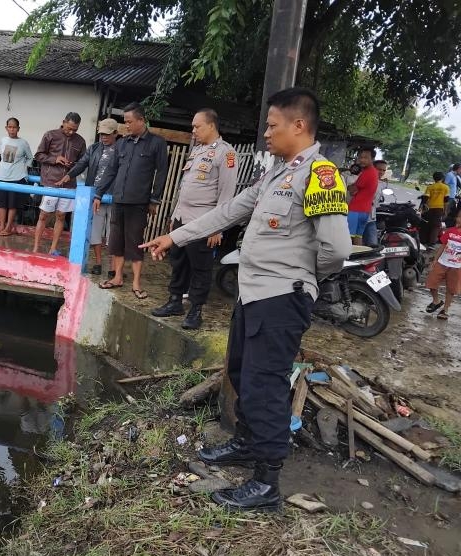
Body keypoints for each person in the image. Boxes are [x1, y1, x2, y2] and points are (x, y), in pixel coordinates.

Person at [141, 87, 351, 511]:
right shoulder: (278, 172)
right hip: (253, 294)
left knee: (265, 386)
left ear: (299, 125)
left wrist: (302, 276)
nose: (267, 133)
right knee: (240, 372)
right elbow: (229, 211)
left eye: (273, 125)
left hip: (280, 298)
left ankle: (265, 483)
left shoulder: (320, 174)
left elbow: (337, 251)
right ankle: (246, 443)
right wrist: (175, 235)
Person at [152, 108, 238, 329]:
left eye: (197, 126)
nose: (193, 130)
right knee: (178, 262)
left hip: (204, 222)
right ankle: (174, 301)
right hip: (182, 218)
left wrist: (217, 228)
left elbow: (226, 194)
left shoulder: (226, 154)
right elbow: (185, 187)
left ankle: (195, 310)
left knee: (201, 267)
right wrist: (174, 217)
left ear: (211, 126)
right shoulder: (197, 151)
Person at [95, 102, 169, 299]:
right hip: (118, 200)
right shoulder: (122, 144)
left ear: (141, 120)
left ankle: (136, 282)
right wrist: (98, 193)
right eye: (125, 122)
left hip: (138, 202)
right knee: (116, 241)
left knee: (135, 243)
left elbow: (162, 173)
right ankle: (118, 277)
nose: (126, 126)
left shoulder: (157, 143)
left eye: (129, 122)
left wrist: (154, 199)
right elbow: (111, 170)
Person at [57, 118, 119, 275]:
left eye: (107, 134)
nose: (104, 137)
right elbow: (82, 163)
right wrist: (69, 175)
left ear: (115, 134)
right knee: (95, 232)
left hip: (114, 196)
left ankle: (113, 267)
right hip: (95, 195)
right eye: (102, 134)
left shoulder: (122, 149)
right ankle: (98, 263)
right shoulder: (94, 148)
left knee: (114, 233)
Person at [33, 112, 86, 255]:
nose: (71, 132)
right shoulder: (50, 135)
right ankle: (36, 247)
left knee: (61, 215)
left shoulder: (80, 141)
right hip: (51, 181)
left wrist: (73, 165)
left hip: (69, 184)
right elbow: (38, 155)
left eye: (75, 129)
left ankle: (52, 248)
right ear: (63, 122)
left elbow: (83, 162)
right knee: (43, 215)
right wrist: (55, 159)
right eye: (69, 128)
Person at [0, 117, 32, 237]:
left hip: (16, 177)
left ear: (18, 129)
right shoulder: (3, 140)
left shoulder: (23, 143)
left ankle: (8, 227)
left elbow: (30, 158)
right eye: (9, 127)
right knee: (1, 203)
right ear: (6, 128)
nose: (12, 129)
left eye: (14, 127)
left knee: (12, 204)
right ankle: (1, 227)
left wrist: (24, 168)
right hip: (2, 175)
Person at [425, 211, 461, 320]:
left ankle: (445, 310)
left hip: (456, 266)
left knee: (451, 289)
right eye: (459, 217)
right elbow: (442, 246)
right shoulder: (450, 231)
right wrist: (435, 259)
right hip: (442, 263)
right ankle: (436, 301)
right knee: (431, 283)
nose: (459, 219)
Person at [347, 148, 377, 245]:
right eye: (360, 157)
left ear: (372, 159)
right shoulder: (373, 172)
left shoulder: (367, 173)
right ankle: (358, 258)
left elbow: (352, 191)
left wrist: (347, 184)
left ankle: (347, 259)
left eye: (366, 158)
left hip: (355, 210)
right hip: (365, 211)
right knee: (358, 237)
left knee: (347, 237)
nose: (362, 160)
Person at [361, 159, 389, 246]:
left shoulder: (381, 183)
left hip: (371, 218)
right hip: (359, 217)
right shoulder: (364, 179)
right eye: (379, 169)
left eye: (383, 170)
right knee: (357, 245)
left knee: (373, 245)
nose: (381, 172)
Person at [424, 171, 450, 246]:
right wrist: (445, 211)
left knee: (429, 223)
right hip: (439, 208)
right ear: (442, 178)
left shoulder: (430, 187)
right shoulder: (445, 187)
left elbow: (426, 199)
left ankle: (425, 240)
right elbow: (446, 201)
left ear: (434, 178)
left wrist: (423, 209)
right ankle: (432, 242)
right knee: (436, 226)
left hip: (430, 208)